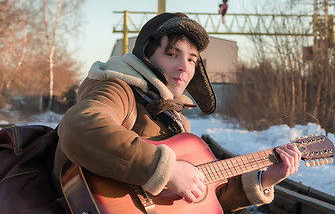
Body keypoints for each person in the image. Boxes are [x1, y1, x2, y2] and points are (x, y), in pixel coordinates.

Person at [52, 12, 301, 212]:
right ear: (146, 56)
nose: (184, 67)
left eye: (192, 59)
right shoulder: (119, 90)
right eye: (172, 54)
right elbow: (79, 126)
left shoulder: (176, 121)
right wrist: (165, 170)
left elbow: (196, 201)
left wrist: (262, 179)